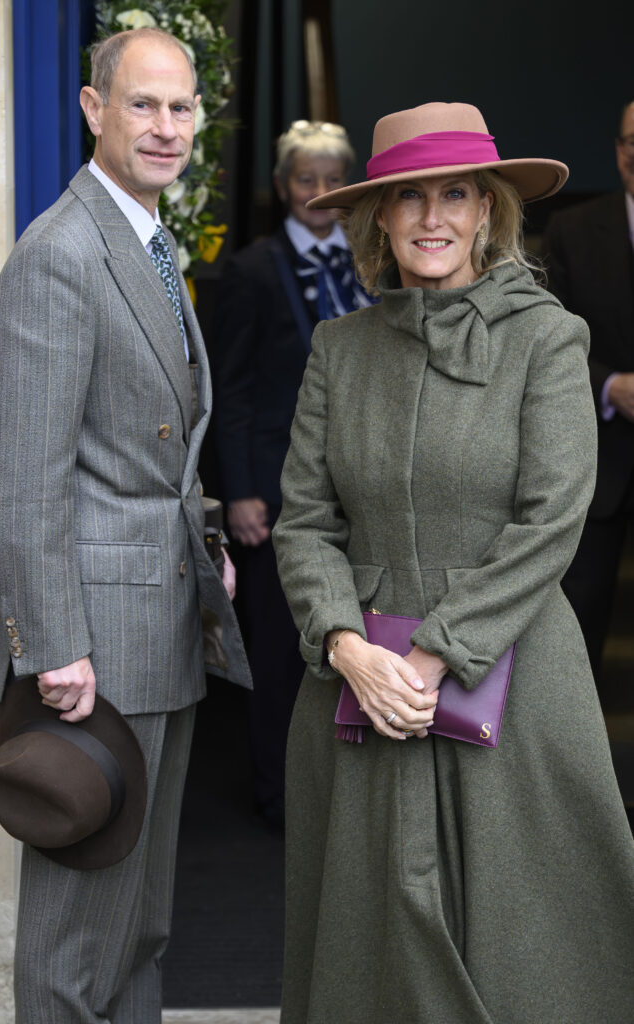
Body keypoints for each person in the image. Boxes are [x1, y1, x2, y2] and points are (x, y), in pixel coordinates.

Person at [272, 102, 634, 1023]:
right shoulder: (337, 350)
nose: (432, 217)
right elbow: (304, 522)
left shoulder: (547, 337)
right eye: (408, 197)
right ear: (379, 218)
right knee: (367, 949)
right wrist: (349, 648)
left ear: (486, 213)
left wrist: (431, 659)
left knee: (524, 951)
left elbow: (552, 518)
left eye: (456, 195)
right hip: (360, 687)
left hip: (509, 677)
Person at [0, 26, 250, 1024]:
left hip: (161, 624)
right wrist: (52, 648)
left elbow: (147, 452)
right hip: (90, 650)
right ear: (95, 110)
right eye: (143, 104)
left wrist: (205, 550)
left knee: (140, 925)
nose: (167, 126)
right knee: (73, 937)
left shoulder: (143, 236)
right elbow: (22, 475)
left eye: (182, 107)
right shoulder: (59, 253)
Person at [211, 119, 375, 828]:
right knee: (282, 646)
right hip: (279, 492)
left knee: (362, 635)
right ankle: (281, 798)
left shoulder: (377, 261)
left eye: (332, 179)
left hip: (362, 484)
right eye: (304, 179)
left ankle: (352, 796)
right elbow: (232, 390)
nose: (318, 191)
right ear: (281, 187)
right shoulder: (250, 269)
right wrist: (242, 489)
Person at [544, 100, 634, 680]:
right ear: (619, 149)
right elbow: (547, 339)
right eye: (632, 141)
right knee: (580, 623)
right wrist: (611, 384)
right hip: (598, 463)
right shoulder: (572, 230)